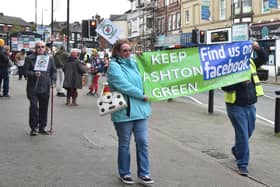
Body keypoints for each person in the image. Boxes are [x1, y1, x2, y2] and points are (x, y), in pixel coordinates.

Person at [107, 39, 154, 185]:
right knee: (124, 144)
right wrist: (142, 95)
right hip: (124, 112)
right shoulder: (114, 66)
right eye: (124, 51)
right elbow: (123, 85)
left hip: (141, 110)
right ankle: (125, 173)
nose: (128, 53)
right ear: (117, 52)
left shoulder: (135, 63)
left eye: (129, 50)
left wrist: (143, 58)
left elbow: (151, 72)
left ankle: (144, 174)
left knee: (143, 142)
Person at [222, 41, 268, 176]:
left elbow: (264, 58)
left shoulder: (251, 62)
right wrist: (240, 84)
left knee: (248, 132)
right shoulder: (228, 66)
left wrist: (258, 48)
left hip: (250, 105)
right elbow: (224, 87)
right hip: (235, 106)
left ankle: (237, 150)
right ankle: (242, 164)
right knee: (242, 133)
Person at [24, 41, 57, 136]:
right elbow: (25, 71)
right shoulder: (29, 58)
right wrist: (33, 74)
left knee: (44, 108)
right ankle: (34, 127)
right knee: (34, 107)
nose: (41, 48)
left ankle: (42, 127)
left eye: (42, 47)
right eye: (38, 47)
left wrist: (53, 81)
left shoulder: (50, 58)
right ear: (35, 48)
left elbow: (53, 71)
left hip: (45, 87)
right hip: (33, 88)